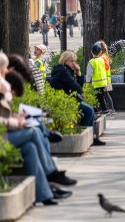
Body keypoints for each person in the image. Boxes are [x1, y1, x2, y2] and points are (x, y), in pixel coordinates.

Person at [1, 52, 76, 205]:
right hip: (3, 138)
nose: (5, 72)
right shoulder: (3, 87)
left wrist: (14, 117)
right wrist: (16, 122)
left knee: (30, 147)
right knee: (34, 130)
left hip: (6, 135)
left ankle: (45, 194)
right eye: (3, 69)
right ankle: (51, 173)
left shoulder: (4, 86)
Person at [50, 51, 105, 146]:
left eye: (75, 61)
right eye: (71, 61)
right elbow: (77, 88)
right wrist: (78, 83)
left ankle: (92, 136)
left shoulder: (66, 70)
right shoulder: (62, 71)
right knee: (89, 111)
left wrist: (79, 73)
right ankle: (87, 136)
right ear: (64, 60)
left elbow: (78, 87)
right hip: (63, 101)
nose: (74, 63)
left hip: (67, 99)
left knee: (90, 110)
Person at [85, 43, 109, 114]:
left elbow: (89, 74)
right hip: (103, 82)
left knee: (95, 97)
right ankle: (104, 109)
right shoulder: (102, 60)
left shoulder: (91, 62)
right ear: (100, 52)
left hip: (96, 83)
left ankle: (96, 110)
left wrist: (87, 82)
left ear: (91, 52)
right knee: (101, 97)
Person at [97, 41, 115, 114]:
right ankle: (109, 109)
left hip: (105, 80)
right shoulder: (105, 56)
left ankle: (111, 109)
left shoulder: (102, 57)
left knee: (106, 95)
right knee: (105, 95)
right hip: (106, 79)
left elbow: (106, 67)